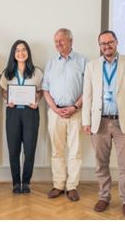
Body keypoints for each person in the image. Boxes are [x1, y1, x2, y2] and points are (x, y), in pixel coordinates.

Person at [82, 30, 125, 218]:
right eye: (103, 44)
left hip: (122, 122)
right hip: (98, 122)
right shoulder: (92, 66)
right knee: (101, 163)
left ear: (116, 42)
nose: (106, 46)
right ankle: (104, 196)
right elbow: (88, 95)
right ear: (99, 46)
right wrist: (86, 121)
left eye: (110, 42)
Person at [41, 28, 87, 201]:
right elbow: (45, 89)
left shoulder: (82, 61)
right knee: (57, 151)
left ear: (71, 41)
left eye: (61, 40)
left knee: (75, 151)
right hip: (56, 113)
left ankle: (72, 186)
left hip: (76, 112)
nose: (58, 44)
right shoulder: (51, 63)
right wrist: (55, 108)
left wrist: (75, 106)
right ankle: (58, 184)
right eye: (56, 41)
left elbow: (87, 89)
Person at [0, 40, 44, 194]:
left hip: (30, 112)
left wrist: (37, 100)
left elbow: (41, 91)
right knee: (13, 150)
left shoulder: (37, 72)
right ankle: (16, 182)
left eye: (23, 50)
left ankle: (26, 182)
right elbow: (3, 90)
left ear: (28, 53)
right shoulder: (7, 72)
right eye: (17, 50)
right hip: (13, 113)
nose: (20, 53)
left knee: (29, 149)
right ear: (13, 53)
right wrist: (7, 99)